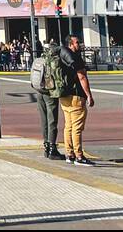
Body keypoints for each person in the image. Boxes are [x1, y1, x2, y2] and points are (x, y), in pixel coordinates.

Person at [58, 34, 95, 165]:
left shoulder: (61, 56)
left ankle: (69, 154)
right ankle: (79, 156)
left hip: (63, 96)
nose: (79, 45)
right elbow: (82, 78)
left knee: (68, 127)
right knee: (77, 128)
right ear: (70, 44)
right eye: (77, 43)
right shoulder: (75, 58)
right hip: (76, 96)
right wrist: (89, 95)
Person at [33, 41, 65, 161]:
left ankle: (46, 146)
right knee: (52, 120)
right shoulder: (53, 60)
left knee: (44, 120)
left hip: (39, 91)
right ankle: (52, 148)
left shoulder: (40, 59)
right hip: (49, 92)